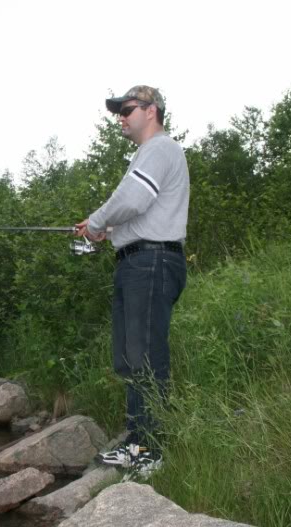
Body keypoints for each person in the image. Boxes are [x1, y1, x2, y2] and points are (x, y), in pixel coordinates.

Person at [74, 85, 189, 474]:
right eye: (118, 112)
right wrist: (108, 230)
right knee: (129, 357)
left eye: (127, 109)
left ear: (151, 110)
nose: (120, 117)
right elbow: (138, 209)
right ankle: (137, 441)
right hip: (136, 261)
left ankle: (152, 448)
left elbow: (133, 198)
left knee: (146, 355)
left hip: (151, 262)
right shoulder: (147, 154)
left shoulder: (160, 148)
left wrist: (96, 222)